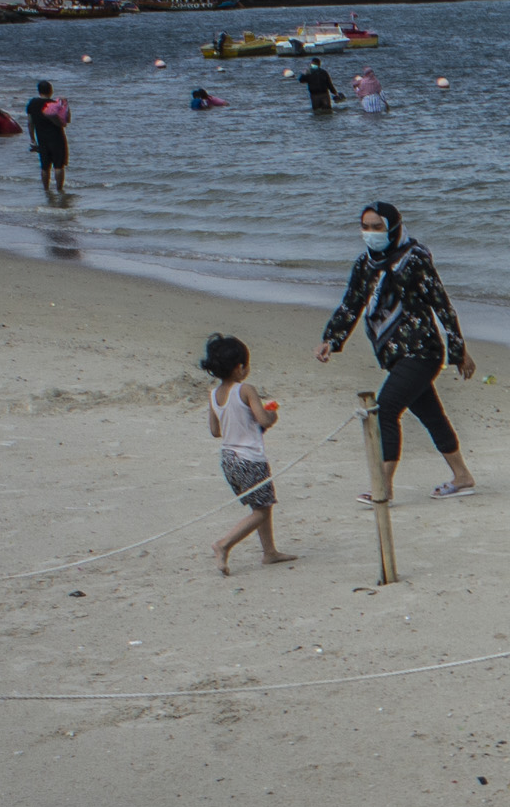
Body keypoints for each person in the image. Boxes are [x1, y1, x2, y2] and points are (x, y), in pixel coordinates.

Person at [316, 198, 479, 498]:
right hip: (393, 354)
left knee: (385, 409)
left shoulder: (414, 258)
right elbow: (351, 304)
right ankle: (462, 476)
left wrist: (458, 350)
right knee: (432, 415)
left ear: (393, 228)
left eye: (377, 227)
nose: (370, 232)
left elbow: (441, 303)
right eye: (365, 227)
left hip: (422, 350)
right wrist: (331, 339)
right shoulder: (365, 264)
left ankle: (383, 486)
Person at [200, 335, 296, 574]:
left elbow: (215, 431)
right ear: (240, 367)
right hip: (250, 459)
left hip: (228, 459)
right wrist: (272, 415)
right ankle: (224, 544)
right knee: (261, 510)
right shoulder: (246, 390)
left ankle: (270, 552)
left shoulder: (213, 395)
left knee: (260, 504)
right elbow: (263, 419)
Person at [26, 79, 70, 201]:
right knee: (59, 165)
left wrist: (32, 139)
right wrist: (65, 104)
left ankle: (46, 190)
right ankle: (59, 190)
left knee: (44, 166)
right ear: (51, 91)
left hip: (41, 138)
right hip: (56, 137)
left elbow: (30, 123)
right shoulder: (55, 104)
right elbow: (66, 121)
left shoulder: (32, 104)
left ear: (39, 91)